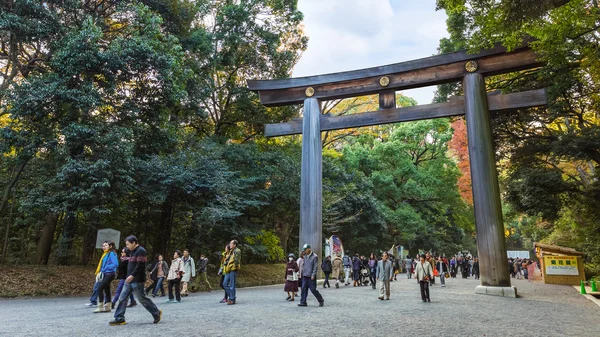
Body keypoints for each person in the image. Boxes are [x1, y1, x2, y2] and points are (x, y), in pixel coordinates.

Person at [109, 235, 162, 326]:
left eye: (128, 244)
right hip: (129, 279)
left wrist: (132, 275)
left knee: (142, 299)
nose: (127, 246)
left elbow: (140, 265)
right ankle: (119, 318)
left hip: (137, 279)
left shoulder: (141, 251)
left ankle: (156, 313)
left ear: (134, 243)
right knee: (122, 298)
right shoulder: (131, 251)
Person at [93, 241, 118, 313]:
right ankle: (108, 306)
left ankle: (100, 307)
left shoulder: (112, 254)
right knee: (107, 289)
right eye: (103, 246)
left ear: (110, 246)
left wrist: (106, 268)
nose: (104, 247)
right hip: (106, 273)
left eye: (106, 245)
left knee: (99, 288)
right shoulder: (105, 254)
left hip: (109, 274)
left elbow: (115, 264)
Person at [223, 239, 241, 305]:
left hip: (233, 270)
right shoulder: (231, 251)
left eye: (231, 243)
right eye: (230, 243)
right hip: (228, 269)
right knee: (224, 284)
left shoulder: (237, 251)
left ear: (234, 245)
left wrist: (233, 268)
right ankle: (232, 297)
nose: (230, 245)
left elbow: (237, 261)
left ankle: (232, 299)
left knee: (232, 285)